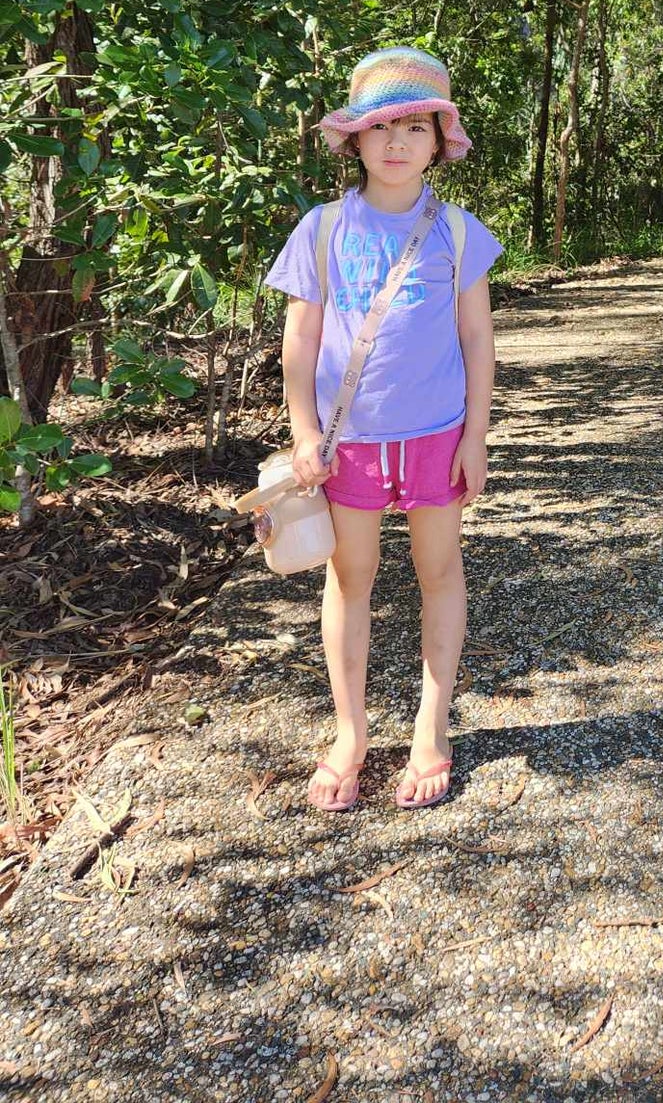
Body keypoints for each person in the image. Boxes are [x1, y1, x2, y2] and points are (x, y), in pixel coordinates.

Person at [264, 47, 501, 812]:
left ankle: (432, 725)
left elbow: (475, 340)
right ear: (355, 139)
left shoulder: (459, 233)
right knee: (350, 578)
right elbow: (299, 342)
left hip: (436, 434)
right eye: (380, 126)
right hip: (348, 446)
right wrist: (303, 431)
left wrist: (476, 434)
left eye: (414, 126)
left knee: (439, 571)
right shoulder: (323, 228)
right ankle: (350, 731)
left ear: (440, 140)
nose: (396, 141)